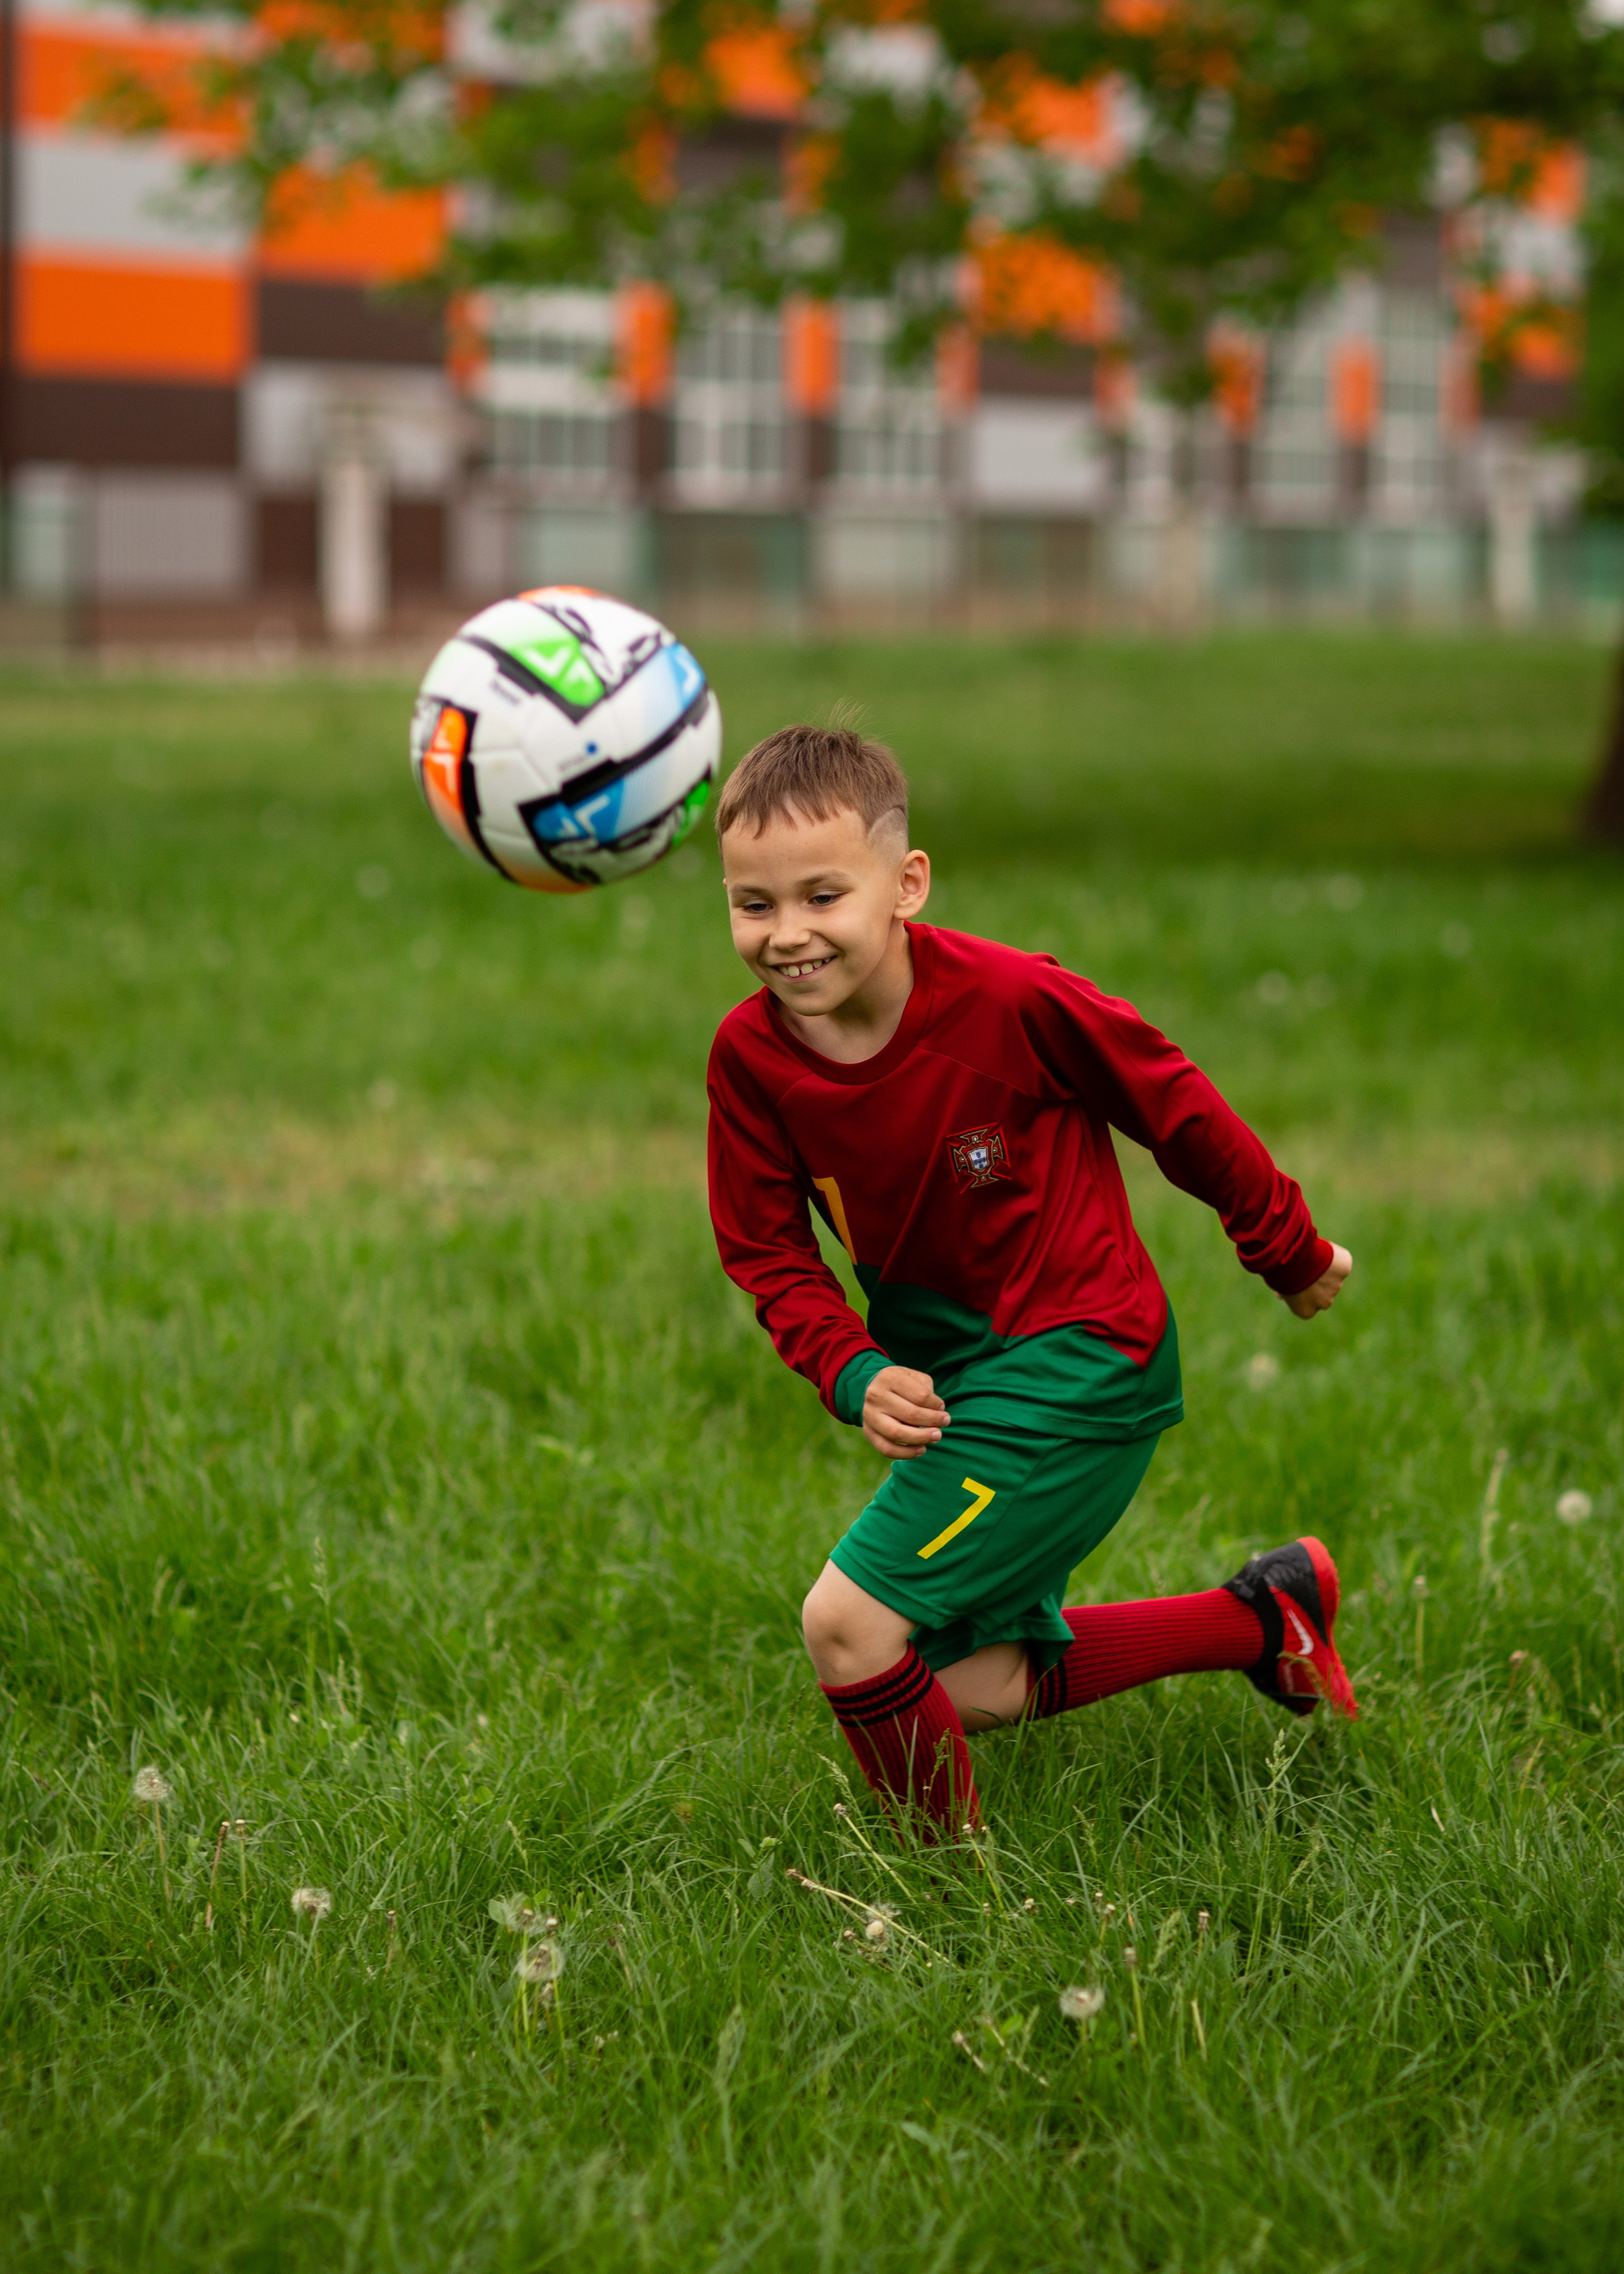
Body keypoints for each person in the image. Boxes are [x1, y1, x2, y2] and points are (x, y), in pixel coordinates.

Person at [705, 723, 1356, 1840]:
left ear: (906, 885)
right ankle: (1263, 1620)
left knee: (849, 1628)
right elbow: (767, 1251)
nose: (788, 933)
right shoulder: (751, 1059)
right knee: (964, 1687)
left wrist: (1284, 1245)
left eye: (822, 896)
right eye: (753, 904)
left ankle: (943, 1902)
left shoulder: (1011, 1001)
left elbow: (1171, 1101)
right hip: (961, 1380)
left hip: (1082, 1357)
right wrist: (852, 1368)